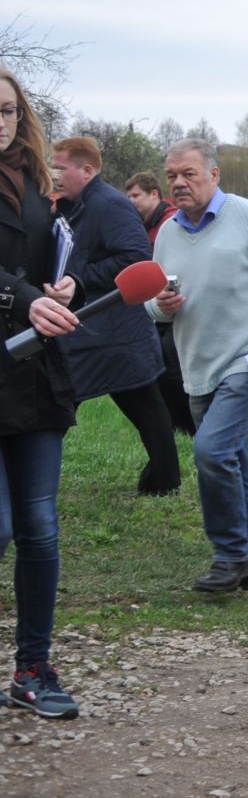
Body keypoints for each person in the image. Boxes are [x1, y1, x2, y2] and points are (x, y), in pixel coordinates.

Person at [149, 138, 248, 595]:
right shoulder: (167, 234)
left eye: (189, 174)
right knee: (233, 461)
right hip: (197, 364)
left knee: (212, 451)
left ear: (214, 175)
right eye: (172, 176)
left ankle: (229, 554)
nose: (179, 183)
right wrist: (161, 306)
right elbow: (153, 307)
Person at [0, 66, 84, 719]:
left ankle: (33, 668)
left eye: (5, 110)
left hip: (35, 373)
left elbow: (54, 258)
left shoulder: (36, 183)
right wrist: (25, 298)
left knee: (40, 527)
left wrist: (62, 286)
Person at [51, 137, 177, 496]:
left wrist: (78, 280)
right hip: (98, 330)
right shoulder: (72, 206)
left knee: (60, 401)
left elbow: (137, 258)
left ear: (87, 170)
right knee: (143, 406)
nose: (54, 174)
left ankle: (165, 480)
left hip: (114, 330)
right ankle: (165, 479)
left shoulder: (111, 205)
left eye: (60, 167)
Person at [124, 172, 195, 437]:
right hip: (159, 308)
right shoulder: (146, 224)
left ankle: (189, 425)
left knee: (174, 372)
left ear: (154, 194)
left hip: (181, 309)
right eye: (128, 196)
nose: (131, 201)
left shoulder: (171, 222)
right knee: (163, 370)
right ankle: (178, 425)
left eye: (136, 196)